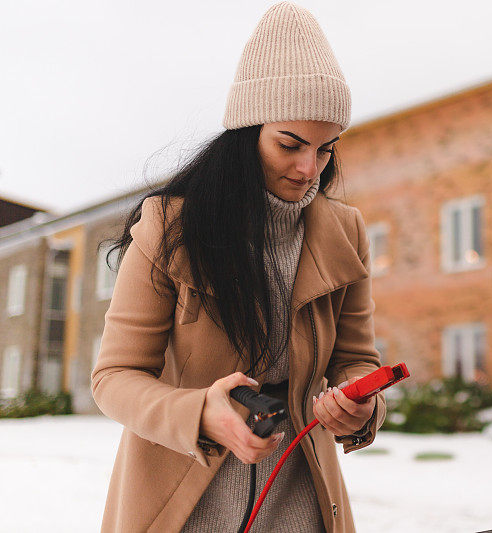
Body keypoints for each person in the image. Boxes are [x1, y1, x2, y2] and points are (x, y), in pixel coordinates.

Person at [90, 3, 385, 532]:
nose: (308, 169)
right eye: (290, 144)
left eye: (324, 149)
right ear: (246, 134)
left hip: (303, 499)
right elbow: (113, 378)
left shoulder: (347, 230)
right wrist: (202, 413)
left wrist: (361, 405)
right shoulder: (168, 225)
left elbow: (356, 360)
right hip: (178, 499)